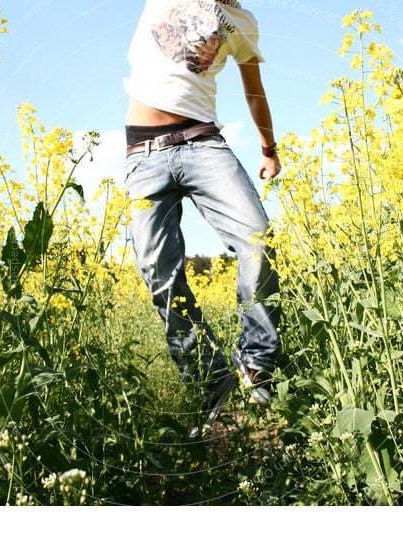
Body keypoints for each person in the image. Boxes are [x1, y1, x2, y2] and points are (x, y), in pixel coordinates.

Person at [123, 0, 281, 436]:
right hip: (143, 155)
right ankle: (214, 381)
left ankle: (256, 365)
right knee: (159, 272)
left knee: (258, 239)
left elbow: (254, 89)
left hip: (203, 143)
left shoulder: (242, 22)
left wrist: (269, 149)